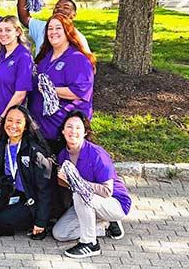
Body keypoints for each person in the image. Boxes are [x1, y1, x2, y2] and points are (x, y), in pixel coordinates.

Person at [52, 110, 132, 258]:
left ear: (85, 132)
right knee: (60, 233)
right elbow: (68, 184)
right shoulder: (63, 155)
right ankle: (105, 226)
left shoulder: (97, 154)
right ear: (63, 131)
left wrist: (79, 183)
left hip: (114, 202)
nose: (73, 131)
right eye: (69, 127)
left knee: (80, 194)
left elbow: (107, 191)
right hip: (89, 202)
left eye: (78, 128)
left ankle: (90, 243)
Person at [0, 105, 54, 240]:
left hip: (31, 198)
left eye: (18, 122)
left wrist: (41, 222)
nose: (13, 125)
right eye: (9, 120)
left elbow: (45, 190)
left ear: (26, 126)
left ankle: (8, 223)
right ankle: (1, 223)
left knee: (4, 219)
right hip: (12, 191)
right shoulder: (1, 145)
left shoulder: (35, 152)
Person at [27, 13, 96, 153]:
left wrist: (50, 89)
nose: (53, 32)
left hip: (62, 131)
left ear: (67, 31)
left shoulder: (78, 59)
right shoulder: (44, 57)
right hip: (39, 129)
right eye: (50, 29)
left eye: (58, 28)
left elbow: (80, 91)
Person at [16, 0, 90, 56]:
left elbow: (89, 63)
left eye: (66, 7)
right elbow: (24, 18)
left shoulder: (78, 37)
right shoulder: (42, 27)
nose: (60, 9)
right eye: (57, 7)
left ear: (73, 15)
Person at [0, 16, 33, 136]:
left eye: (8, 30)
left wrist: (0, 121)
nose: (3, 34)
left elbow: (20, 94)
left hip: (11, 122)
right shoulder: (2, 54)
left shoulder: (23, 57)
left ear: (17, 31)